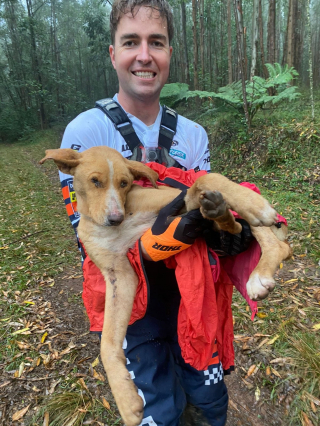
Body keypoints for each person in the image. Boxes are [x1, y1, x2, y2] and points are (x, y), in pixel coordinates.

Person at [59, 1, 252, 424]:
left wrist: (228, 232)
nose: (144, 55)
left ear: (168, 54)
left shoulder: (192, 135)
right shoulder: (86, 134)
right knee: (156, 411)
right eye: (131, 42)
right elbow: (88, 236)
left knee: (209, 401)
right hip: (134, 305)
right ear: (113, 53)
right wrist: (153, 244)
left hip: (194, 294)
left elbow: (208, 217)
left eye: (156, 43)